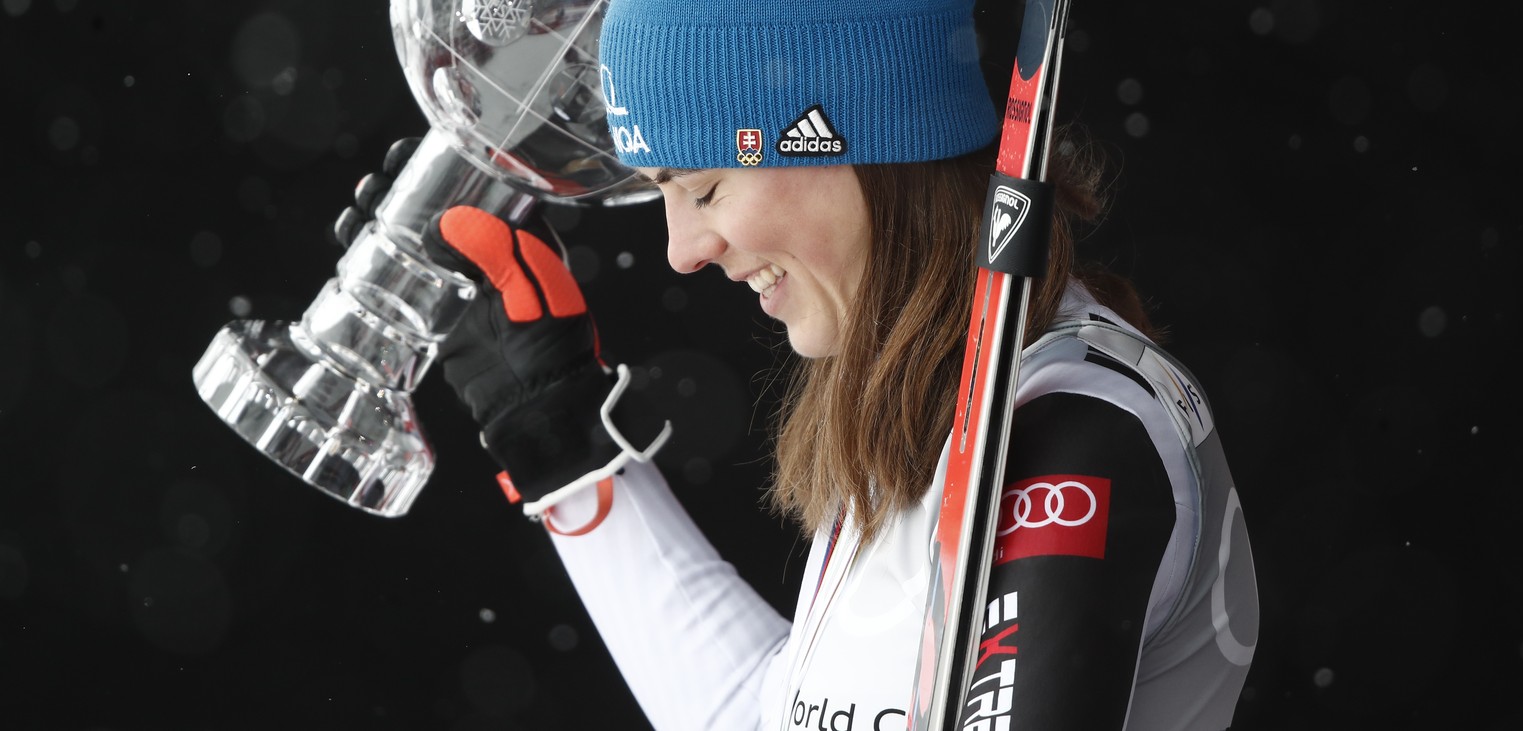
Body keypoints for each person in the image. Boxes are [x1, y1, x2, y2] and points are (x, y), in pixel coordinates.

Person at [345, 0, 1260, 727]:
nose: (683, 249)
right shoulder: (926, 410)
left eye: (704, 185)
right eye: (663, 192)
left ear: (844, 137)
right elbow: (773, 712)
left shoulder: (1067, 433)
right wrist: (562, 442)